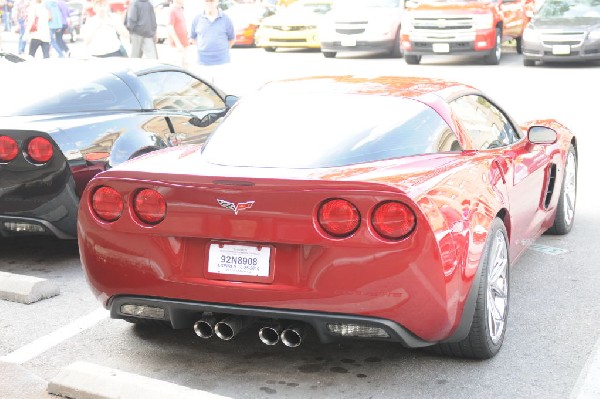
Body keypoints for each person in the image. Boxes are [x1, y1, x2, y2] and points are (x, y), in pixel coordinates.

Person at [189, 0, 234, 87]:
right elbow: (192, 38)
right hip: (203, 63)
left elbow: (231, 39)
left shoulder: (226, 19)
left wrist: (221, 51)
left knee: (222, 91)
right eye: (207, 1)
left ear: (217, 2)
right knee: (205, 91)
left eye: (212, 1)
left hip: (222, 63)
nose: (209, 4)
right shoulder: (197, 19)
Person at [165, 0, 188, 67]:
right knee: (177, 68)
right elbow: (170, 28)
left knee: (184, 68)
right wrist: (178, 43)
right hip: (177, 47)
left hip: (184, 45)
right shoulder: (172, 10)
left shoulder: (180, 10)